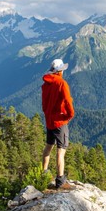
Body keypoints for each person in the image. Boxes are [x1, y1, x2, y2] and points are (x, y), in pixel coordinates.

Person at [41, 58, 75, 188]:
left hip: (49, 120)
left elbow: (44, 104)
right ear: (60, 71)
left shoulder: (45, 84)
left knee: (48, 146)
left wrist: (47, 115)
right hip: (60, 121)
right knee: (61, 150)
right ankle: (60, 181)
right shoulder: (61, 83)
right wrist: (70, 115)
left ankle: (44, 172)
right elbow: (67, 101)